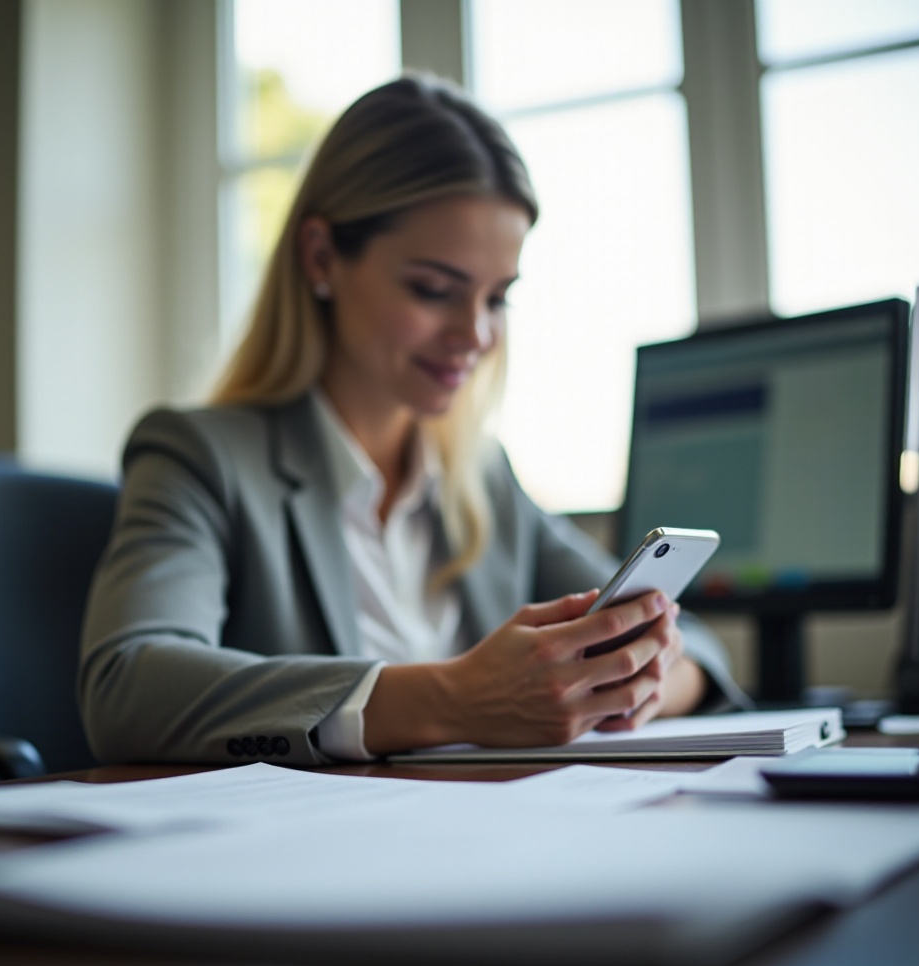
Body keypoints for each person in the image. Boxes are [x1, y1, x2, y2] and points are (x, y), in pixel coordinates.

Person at [78, 74, 745, 767]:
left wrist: (634, 683)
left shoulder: (482, 481)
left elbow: (695, 646)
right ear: (320, 259)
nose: (476, 334)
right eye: (434, 289)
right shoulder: (202, 457)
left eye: (497, 299)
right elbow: (129, 686)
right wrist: (456, 699)